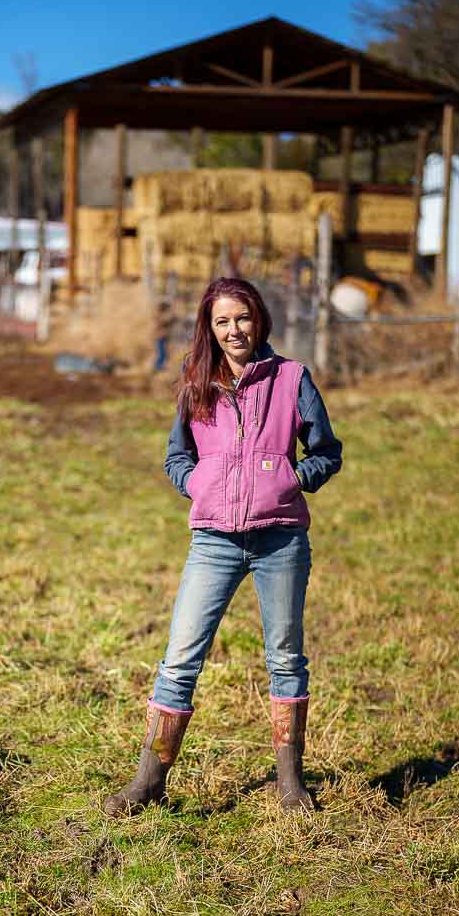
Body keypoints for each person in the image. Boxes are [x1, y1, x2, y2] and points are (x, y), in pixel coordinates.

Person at [104, 276, 342, 818]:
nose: (234, 330)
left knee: (285, 658)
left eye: (242, 318)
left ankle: (289, 783)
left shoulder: (291, 378)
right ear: (209, 328)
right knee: (180, 659)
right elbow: (176, 456)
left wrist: (290, 478)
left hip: (280, 539)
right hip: (213, 540)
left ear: (258, 319)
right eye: (222, 321)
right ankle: (148, 782)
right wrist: (198, 485)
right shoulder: (196, 383)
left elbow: (327, 451)